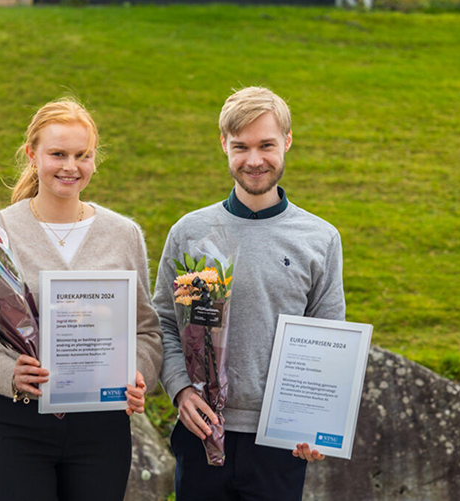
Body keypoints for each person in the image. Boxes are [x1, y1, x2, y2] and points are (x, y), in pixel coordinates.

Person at [0, 98, 163, 501]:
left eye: (82, 155)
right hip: (17, 425)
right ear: (32, 154)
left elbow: (146, 331)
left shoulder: (123, 234)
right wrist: (8, 374)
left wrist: (137, 372)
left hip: (102, 429)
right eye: (58, 154)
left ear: (94, 160)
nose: (70, 166)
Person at [153, 86, 345, 501]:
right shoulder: (189, 232)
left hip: (279, 442)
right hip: (201, 431)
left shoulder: (320, 238)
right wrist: (180, 389)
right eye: (241, 146)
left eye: (267, 145)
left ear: (288, 142)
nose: (254, 160)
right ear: (223, 144)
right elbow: (164, 323)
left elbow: (330, 339)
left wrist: (314, 423)